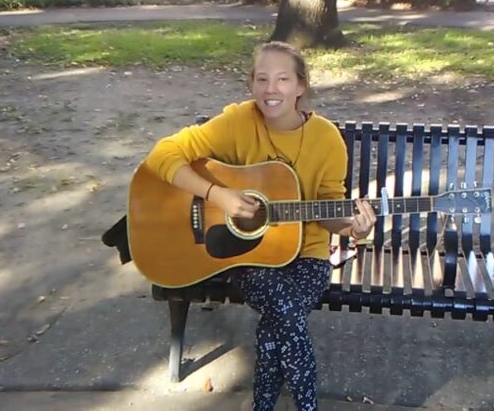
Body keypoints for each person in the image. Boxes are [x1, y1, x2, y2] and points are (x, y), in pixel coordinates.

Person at [144, 41, 377, 411]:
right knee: (285, 311)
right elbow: (161, 156)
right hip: (249, 258)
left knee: (280, 317)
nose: (272, 89)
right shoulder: (239, 122)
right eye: (263, 78)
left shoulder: (327, 138)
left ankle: (263, 406)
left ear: (301, 86)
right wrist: (216, 194)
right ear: (251, 84)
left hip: (309, 257)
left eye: (283, 79)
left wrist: (355, 228)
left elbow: (330, 209)